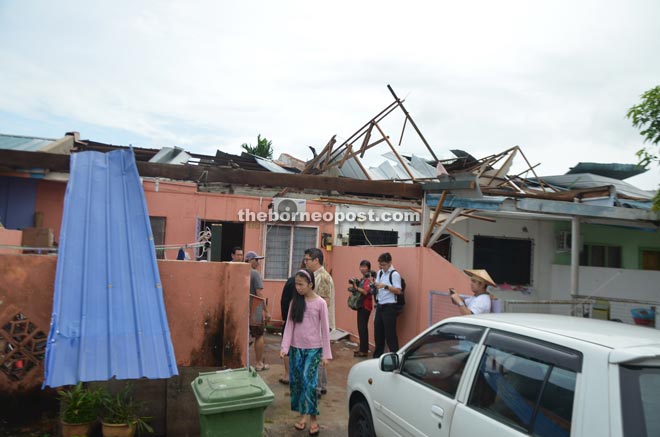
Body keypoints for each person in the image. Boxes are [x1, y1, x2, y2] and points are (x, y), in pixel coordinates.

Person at [279, 268, 332, 436]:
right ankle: (302, 416)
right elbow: (289, 326)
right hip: (295, 349)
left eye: (301, 284)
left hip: (313, 350)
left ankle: (313, 419)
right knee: (298, 383)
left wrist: (326, 354)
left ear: (310, 284)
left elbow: (325, 329)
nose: (298, 288)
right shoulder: (295, 303)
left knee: (310, 384)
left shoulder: (320, 303)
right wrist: (284, 347)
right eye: (296, 284)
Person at [304, 247, 334, 397]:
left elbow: (325, 302)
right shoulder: (315, 275)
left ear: (316, 260)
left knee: (316, 354)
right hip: (318, 323)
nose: (306, 262)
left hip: (319, 323)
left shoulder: (322, 277)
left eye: (308, 260)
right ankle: (321, 385)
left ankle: (316, 387)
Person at [279, 259, 306, 385]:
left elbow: (284, 300)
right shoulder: (311, 284)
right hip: (304, 322)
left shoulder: (291, 281)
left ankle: (288, 375)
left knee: (287, 348)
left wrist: (285, 317)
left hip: (291, 319)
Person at [372, 252, 402, 359]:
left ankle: (395, 358)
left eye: (384, 264)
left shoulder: (394, 274)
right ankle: (377, 357)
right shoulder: (380, 273)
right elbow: (377, 284)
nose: (382, 267)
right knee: (378, 333)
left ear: (390, 263)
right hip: (380, 305)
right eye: (380, 264)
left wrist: (385, 286)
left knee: (390, 335)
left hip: (389, 307)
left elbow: (398, 291)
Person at [246, 250, 270, 371]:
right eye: (256, 260)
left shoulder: (241, 272)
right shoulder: (254, 273)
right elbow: (259, 293)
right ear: (250, 260)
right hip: (255, 309)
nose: (258, 263)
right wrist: (266, 310)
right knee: (259, 336)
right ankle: (259, 363)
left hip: (243, 309)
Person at [350, 260, 374, 357]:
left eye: (364, 267)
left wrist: (356, 287)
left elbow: (366, 292)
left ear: (368, 268)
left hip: (365, 305)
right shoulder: (364, 278)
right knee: (361, 328)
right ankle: (362, 349)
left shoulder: (369, 278)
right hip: (361, 305)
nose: (362, 268)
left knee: (362, 328)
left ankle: (364, 351)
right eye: (361, 266)